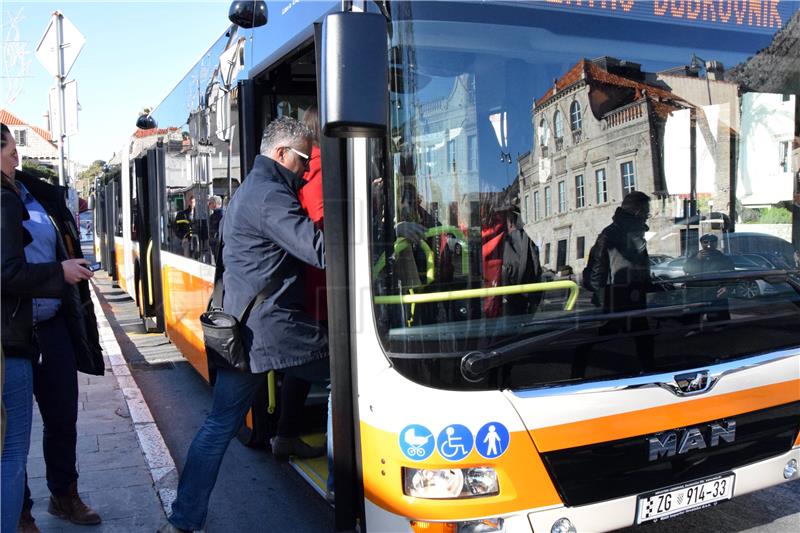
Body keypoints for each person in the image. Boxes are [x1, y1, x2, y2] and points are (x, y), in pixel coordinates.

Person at [159, 117, 328, 533]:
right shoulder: (271, 196)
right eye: (305, 160)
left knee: (219, 425)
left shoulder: (248, 191)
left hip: (244, 329)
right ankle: (348, 487)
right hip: (271, 330)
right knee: (356, 372)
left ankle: (184, 519)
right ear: (282, 154)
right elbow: (320, 250)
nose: (307, 170)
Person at [2, 123, 101, 533]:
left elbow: (64, 240)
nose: (16, 155)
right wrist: (58, 271)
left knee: (62, 418)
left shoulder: (35, 193)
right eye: (9, 148)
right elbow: (8, 271)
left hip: (54, 323)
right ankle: (19, 512)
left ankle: (65, 496)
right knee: (15, 435)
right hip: (14, 334)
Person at [577, 191, 655, 376]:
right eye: (646, 212)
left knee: (639, 338)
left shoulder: (631, 233)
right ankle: (583, 364)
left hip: (629, 298)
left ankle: (645, 371)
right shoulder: (612, 234)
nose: (647, 216)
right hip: (618, 299)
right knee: (618, 338)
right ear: (637, 212)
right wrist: (603, 296)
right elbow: (596, 273)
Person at [683, 233, 734, 322]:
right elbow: (686, 268)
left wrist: (726, 287)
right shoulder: (695, 255)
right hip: (697, 291)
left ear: (716, 243)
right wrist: (697, 259)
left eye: (712, 242)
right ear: (701, 243)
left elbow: (731, 274)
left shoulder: (722, 257)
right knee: (694, 317)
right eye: (705, 242)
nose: (708, 244)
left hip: (716, 290)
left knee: (718, 320)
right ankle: (695, 328)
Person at [207, 195, 223, 262]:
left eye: (210, 203)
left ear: (215, 203)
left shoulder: (222, 215)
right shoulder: (213, 216)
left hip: (219, 244)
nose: (209, 205)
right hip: (215, 244)